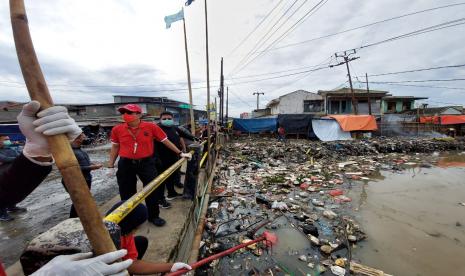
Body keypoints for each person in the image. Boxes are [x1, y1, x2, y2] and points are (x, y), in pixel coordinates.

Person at [0, 101, 131, 276]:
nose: (83, 137)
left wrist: (38, 151)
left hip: (80, 177)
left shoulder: (81, 150)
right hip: (77, 179)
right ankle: (74, 221)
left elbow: (3, 193)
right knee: (78, 204)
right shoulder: (75, 151)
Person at [107, 104, 191, 227]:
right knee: (126, 192)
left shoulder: (151, 127)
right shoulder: (117, 129)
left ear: (139, 114)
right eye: (123, 112)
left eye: (129, 113)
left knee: (152, 190)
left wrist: (180, 153)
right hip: (125, 163)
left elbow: (165, 141)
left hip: (146, 163)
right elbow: (115, 146)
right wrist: (110, 165)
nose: (126, 115)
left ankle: (154, 216)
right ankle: (129, 218)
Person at [106, 201, 192, 275]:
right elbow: (131, 265)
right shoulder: (107, 240)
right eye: (135, 228)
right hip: (106, 268)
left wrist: (171, 266)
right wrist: (169, 267)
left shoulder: (124, 230)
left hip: (120, 256)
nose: (135, 231)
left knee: (141, 241)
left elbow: (132, 262)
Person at [154, 112, 195, 206]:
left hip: (173, 156)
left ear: (172, 119)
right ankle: (161, 200)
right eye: (164, 119)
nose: (167, 120)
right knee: (161, 180)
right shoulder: (157, 128)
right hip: (161, 158)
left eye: (169, 118)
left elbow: (184, 134)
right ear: (160, 119)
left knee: (171, 176)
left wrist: (195, 138)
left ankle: (171, 193)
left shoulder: (174, 128)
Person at [62, 132, 103, 218]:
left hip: (86, 178)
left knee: (84, 200)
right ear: (77, 139)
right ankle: (73, 219)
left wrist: (92, 164)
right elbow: (72, 168)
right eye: (82, 135)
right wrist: (92, 167)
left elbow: (83, 162)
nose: (85, 137)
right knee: (79, 201)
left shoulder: (80, 149)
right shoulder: (69, 152)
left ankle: (83, 217)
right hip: (75, 180)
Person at [0, 134, 27, 221]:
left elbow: (21, 154)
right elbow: (5, 159)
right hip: (2, 175)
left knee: (13, 191)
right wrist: (18, 158)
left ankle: (12, 207)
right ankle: (2, 214)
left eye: (8, 139)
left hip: (13, 173)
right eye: (5, 139)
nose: (8, 141)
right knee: (2, 194)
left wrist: (18, 157)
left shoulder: (11, 148)